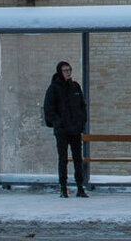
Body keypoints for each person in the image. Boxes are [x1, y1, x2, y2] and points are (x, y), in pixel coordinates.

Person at [43, 61, 88, 198]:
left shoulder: (75, 87)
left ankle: (80, 187)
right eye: (65, 70)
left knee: (77, 159)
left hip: (75, 129)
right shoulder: (54, 89)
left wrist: (81, 122)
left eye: (69, 70)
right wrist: (58, 123)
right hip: (62, 131)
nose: (68, 72)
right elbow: (48, 109)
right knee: (63, 159)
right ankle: (63, 187)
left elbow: (82, 106)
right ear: (59, 72)